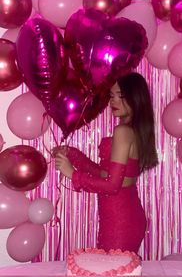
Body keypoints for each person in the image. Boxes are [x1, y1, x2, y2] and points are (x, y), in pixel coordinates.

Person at [54, 72, 158, 254]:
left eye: (121, 96)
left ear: (135, 97)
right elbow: (104, 173)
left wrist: (72, 174)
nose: (112, 102)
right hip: (122, 214)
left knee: (113, 270)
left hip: (120, 219)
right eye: (111, 96)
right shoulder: (133, 131)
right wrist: (73, 155)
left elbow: (111, 185)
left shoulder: (123, 131)